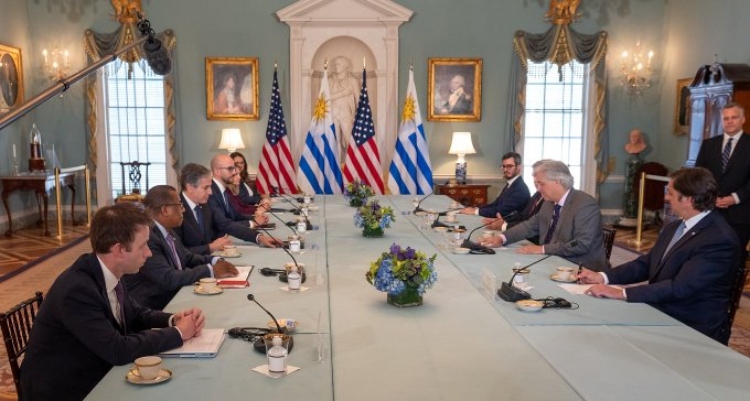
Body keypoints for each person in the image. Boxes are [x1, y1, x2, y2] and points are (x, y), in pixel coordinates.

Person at [19, 203, 205, 400]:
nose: (149, 253)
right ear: (119, 250)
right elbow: (118, 350)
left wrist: (173, 320)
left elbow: (135, 313)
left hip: (95, 369)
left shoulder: (108, 270)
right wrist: (178, 333)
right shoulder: (77, 290)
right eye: (143, 246)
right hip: (65, 389)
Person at [579, 167, 740, 344]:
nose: (666, 198)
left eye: (670, 193)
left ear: (689, 200)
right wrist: (603, 277)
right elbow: (647, 264)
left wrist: (622, 293)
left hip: (690, 326)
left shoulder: (718, 239)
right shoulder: (674, 227)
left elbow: (680, 288)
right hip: (661, 309)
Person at [478, 159, 608, 271]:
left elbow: (581, 244)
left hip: (580, 268)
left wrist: (542, 249)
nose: (538, 189)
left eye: (541, 184)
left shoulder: (585, 205)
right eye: (537, 184)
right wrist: (502, 238)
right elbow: (529, 226)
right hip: (549, 261)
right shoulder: (548, 203)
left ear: (557, 182)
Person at [123, 185, 239, 310]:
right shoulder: (148, 237)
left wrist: (215, 261)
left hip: (175, 296)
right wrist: (210, 270)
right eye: (179, 205)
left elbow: (188, 257)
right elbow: (168, 278)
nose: (183, 210)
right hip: (155, 307)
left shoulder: (168, 231)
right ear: (165, 210)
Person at [174, 163, 277, 256]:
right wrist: (210, 247)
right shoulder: (175, 212)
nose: (210, 192)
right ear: (190, 187)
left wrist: (259, 237)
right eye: (205, 188)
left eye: (210, 187)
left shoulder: (205, 205)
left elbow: (226, 224)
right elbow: (178, 253)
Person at [695, 102, 750, 262]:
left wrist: (734, 198)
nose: (729, 121)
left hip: (740, 214)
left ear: (743, 120)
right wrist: (711, 198)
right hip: (709, 210)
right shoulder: (708, 144)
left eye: (734, 117)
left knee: (734, 258)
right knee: (705, 254)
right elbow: (699, 175)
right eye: (726, 118)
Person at [460, 152, 530, 218]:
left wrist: (475, 211)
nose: (505, 169)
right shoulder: (511, 184)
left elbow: (502, 211)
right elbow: (495, 204)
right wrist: (476, 208)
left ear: (519, 167)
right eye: (503, 166)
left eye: (509, 166)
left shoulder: (520, 189)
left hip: (511, 225)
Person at [209, 154, 272, 228]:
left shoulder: (224, 189)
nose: (234, 172)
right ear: (217, 171)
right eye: (230, 168)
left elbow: (235, 215)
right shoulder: (211, 192)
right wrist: (253, 223)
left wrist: (255, 219)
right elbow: (222, 224)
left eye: (233, 168)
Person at [328, 56, 359, 158]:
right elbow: (326, 98)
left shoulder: (352, 81)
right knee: (335, 140)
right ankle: (337, 164)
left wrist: (358, 116)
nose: (336, 66)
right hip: (333, 112)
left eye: (339, 64)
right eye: (335, 64)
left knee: (348, 138)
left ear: (345, 66)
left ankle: (353, 163)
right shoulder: (331, 80)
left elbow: (358, 100)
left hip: (346, 112)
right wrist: (344, 93)